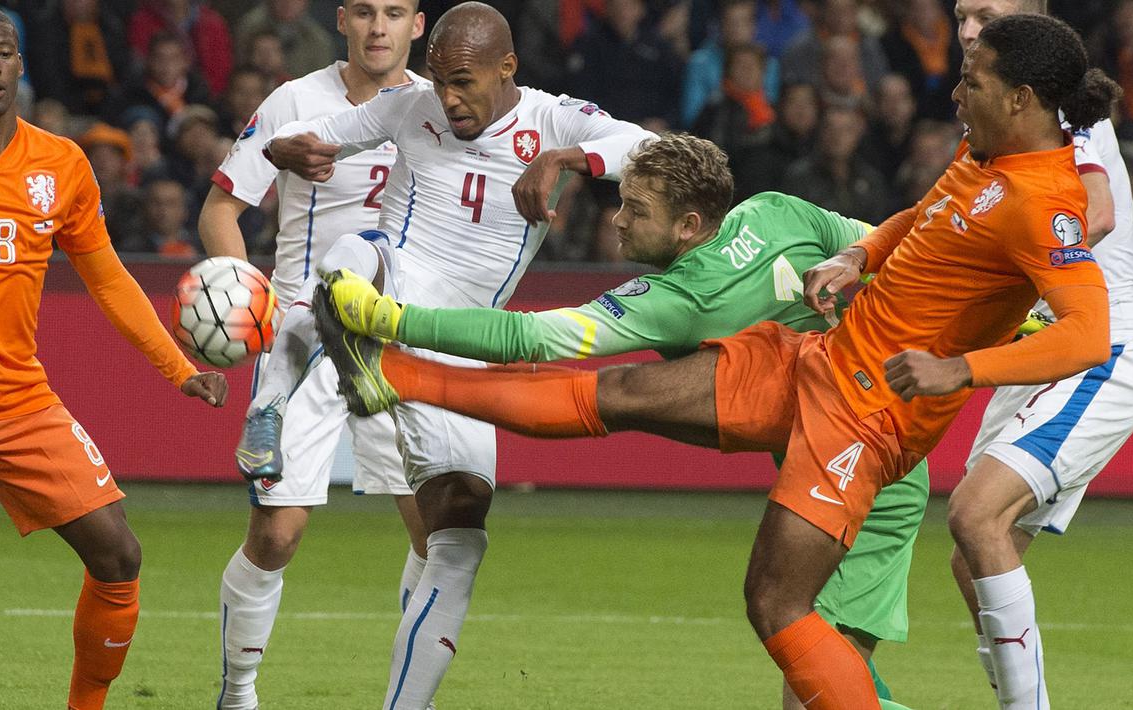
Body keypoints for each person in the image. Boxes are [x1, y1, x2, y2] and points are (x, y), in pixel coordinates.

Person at [312, 14, 1118, 709]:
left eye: (973, 80)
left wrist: (961, 369)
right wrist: (860, 254)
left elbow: (1086, 336)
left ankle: (397, 366)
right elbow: (921, 216)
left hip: (866, 420)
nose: (956, 93)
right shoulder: (974, 159)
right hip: (816, 361)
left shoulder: (1041, 203)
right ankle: (395, 377)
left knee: (778, 608)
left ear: (1020, 98)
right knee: (625, 393)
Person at [324, 133, 928, 708]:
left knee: (809, 681)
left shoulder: (676, 298)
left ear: (688, 225)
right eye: (622, 202)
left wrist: (392, 319)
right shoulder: (779, 211)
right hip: (861, 443)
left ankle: (396, 372)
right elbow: (890, 248)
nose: (617, 220)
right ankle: (398, 375)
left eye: (636, 210)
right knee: (830, 673)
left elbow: (528, 336)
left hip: (859, 471)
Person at [261, 4, 655, 707]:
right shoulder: (408, 105)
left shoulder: (552, 120)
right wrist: (284, 150)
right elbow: (305, 135)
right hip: (394, 290)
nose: (446, 97)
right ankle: (283, 391)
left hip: (459, 352)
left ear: (507, 68)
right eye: (439, 80)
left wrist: (562, 160)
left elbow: (649, 150)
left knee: (459, 540)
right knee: (358, 252)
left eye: (462, 82)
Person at [0, 7, 227, 710]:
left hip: (18, 399)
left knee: (118, 555)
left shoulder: (61, 164)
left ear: (21, 64)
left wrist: (180, 368)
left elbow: (108, 278)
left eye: (4, 52)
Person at [197, 2, 429, 708]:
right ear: (342, 21)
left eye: (394, 12)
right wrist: (244, 295)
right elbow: (219, 211)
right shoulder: (294, 102)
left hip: (404, 339)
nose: (379, 27)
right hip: (305, 334)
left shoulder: (436, 109)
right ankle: (239, 693)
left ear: (418, 25)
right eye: (365, 12)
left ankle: (410, 696)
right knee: (277, 536)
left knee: (439, 536)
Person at [949, 1, 1133, 707]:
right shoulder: (986, 115)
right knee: (972, 555)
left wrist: (1007, 263)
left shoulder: (1061, 106)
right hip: (1041, 348)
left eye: (986, 12)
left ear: (1033, 15)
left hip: (1097, 342)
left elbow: (1096, 213)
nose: (969, 27)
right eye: (960, 13)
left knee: (976, 516)